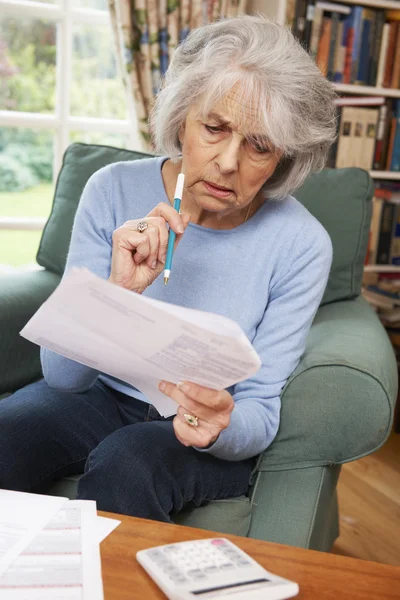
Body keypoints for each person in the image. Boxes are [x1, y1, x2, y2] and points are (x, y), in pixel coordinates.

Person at [0, 15, 336, 521]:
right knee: (9, 431)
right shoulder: (111, 189)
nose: (227, 162)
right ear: (182, 118)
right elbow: (63, 378)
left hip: (206, 426)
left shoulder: (302, 244)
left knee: (127, 464)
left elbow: (260, 411)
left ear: (284, 157)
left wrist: (221, 424)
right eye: (214, 128)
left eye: (259, 146)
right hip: (100, 395)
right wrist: (116, 294)